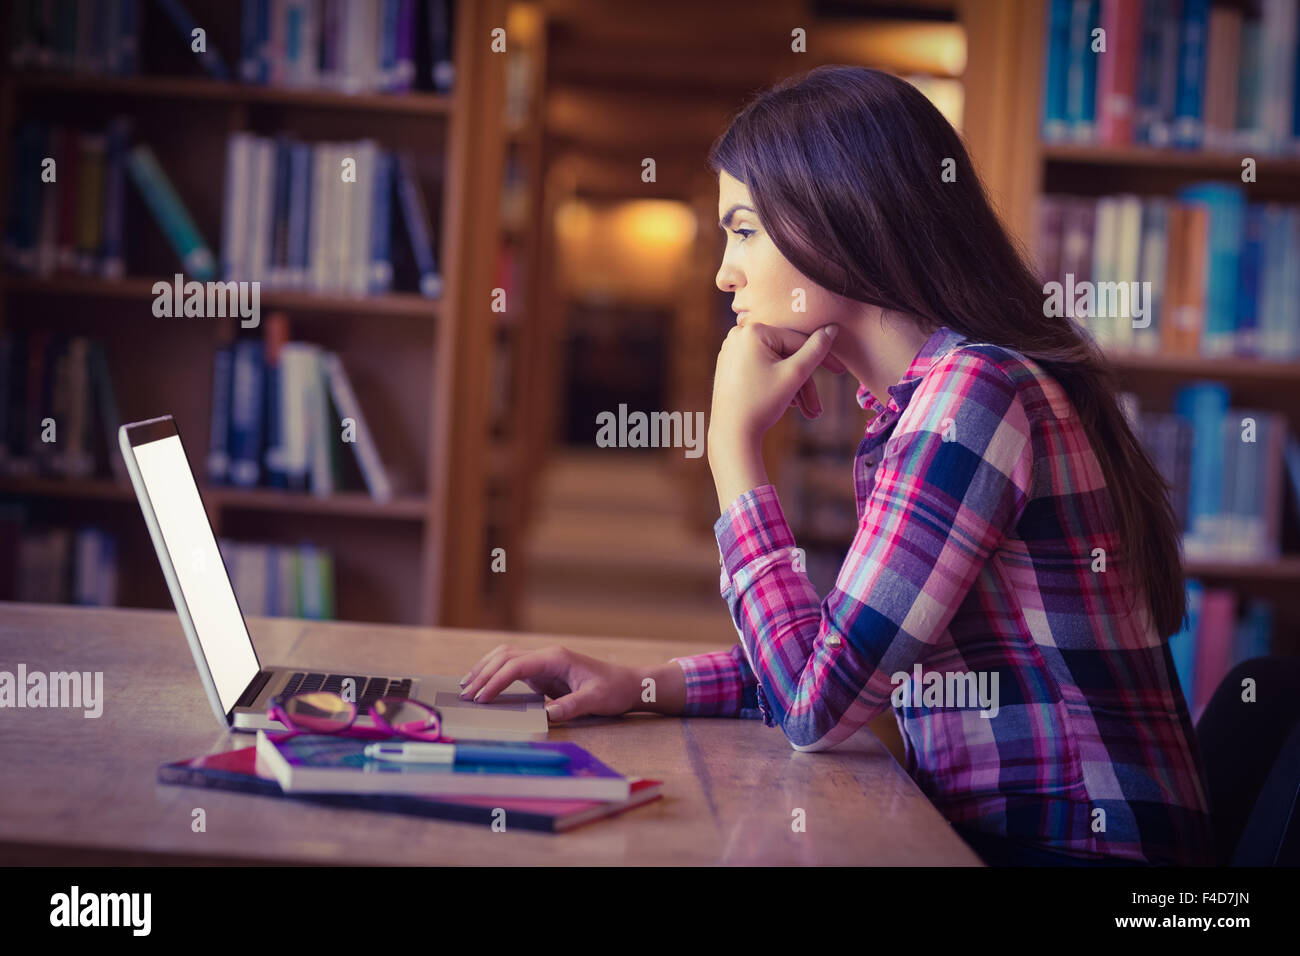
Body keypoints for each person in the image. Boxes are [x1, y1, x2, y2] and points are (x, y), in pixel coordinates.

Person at [459, 65, 1214, 867]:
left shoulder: (974, 396)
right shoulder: (929, 401)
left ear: (838, 221)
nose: (725, 272)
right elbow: (839, 659)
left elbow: (813, 707)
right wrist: (640, 684)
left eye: (743, 229)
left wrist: (732, 452)